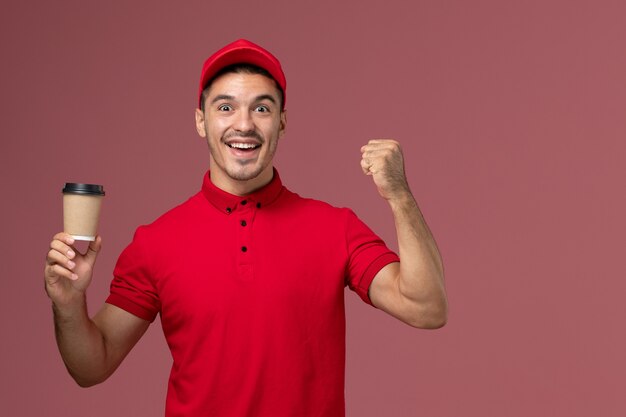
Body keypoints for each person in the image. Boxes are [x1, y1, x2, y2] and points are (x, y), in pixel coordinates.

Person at [44, 39, 448, 417]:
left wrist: (399, 196)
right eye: (225, 107)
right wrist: (68, 303)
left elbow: (426, 307)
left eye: (261, 108)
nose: (244, 125)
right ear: (201, 121)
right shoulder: (156, 242)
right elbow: (91, 367)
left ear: (282, 122)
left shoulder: (335, 227)